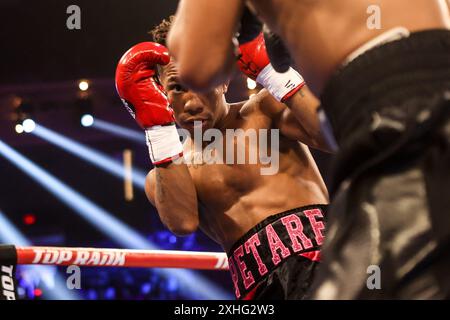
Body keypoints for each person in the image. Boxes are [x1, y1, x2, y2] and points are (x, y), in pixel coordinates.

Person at [167, 0, 450, 299]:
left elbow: (197, 65)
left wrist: (249, 47)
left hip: (387, 98)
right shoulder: (179, 166)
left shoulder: (262, 111)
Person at [115, 17, 331, 299]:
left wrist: (276, 75)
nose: (192, 103)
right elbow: (182, 223)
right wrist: (157, 128)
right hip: (258, 289)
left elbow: (335, 137)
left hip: (325, 260)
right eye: (177, 88)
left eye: (201, 82)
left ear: (223, 80)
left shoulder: (265, 110)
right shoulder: (165, 175)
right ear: (160, 93)